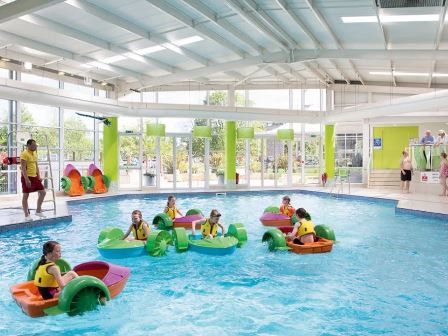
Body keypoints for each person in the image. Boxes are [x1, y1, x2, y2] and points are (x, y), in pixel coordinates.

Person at [20, 139, 46, 221]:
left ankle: (38, 211)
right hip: (27, 177)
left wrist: (39, 176)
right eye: (33, 145)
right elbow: (23, 168)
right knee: (26, 195)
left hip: (34, 177)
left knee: (43, 192)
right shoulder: (24, 154)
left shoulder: (35, 153)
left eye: (35, 145)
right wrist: (27, 180)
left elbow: (36, 166)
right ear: (28, 145)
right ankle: (26, 215)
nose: (35, 146)